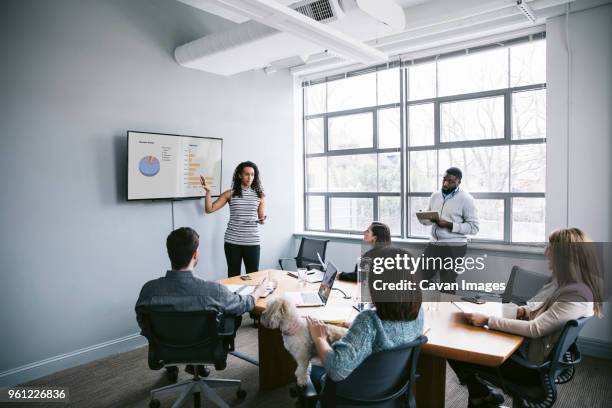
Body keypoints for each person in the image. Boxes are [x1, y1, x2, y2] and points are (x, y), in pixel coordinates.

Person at [448, 227, 603, 407]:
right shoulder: (574, 287)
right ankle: (480, 396)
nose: (546, 253)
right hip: (532, 352)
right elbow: (549, 311)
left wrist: (487, 320)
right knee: (464, 338)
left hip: (528, 367)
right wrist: (523, 311)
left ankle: (481, 395)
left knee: (454, 347)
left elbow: (535, 329)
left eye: (550, 249)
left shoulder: (576, 296)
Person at [135, 227, 268, 381]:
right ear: (195, 254)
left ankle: (177, 364)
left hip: (166, 350)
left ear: (169, 254)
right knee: (231, 315)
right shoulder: (214, 291)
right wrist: (258, 291)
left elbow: (144, 324)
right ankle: (195, 363)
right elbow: (243, 305)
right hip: (206, 350)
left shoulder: (149, 290)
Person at [307, 246, 425, 391]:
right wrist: (355, 329)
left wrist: (319, 338)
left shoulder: (368, 321)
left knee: (311, 367)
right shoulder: (419, 314)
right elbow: (390, 334)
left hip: (350, 395)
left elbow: (336, 370)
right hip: (391, 392)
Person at [200, 161, 266, 277]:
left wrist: (262, 220)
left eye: (252, 174)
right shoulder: (230, 194)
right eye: (246, 174)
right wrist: (208, 192)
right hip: (232, 242)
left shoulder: (260, 195)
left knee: (253, 276)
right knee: (233, 275)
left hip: (252, 241)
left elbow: (261, 218)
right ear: (240, 175)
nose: (249, 177)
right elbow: (209, 209)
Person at [422, 167, 479, 291]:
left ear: (458, 182)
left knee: (447, 283)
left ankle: (446, 309)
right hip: (434, 244)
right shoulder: (435, 195)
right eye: (444, 180)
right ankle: (423, 309)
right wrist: (425, 218)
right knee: (420, 278)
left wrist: (449, 224)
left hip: (454, 247)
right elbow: (428, 219)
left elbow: (474, 228)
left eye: (450, 181)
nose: (445, 183)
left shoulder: (466, 199)